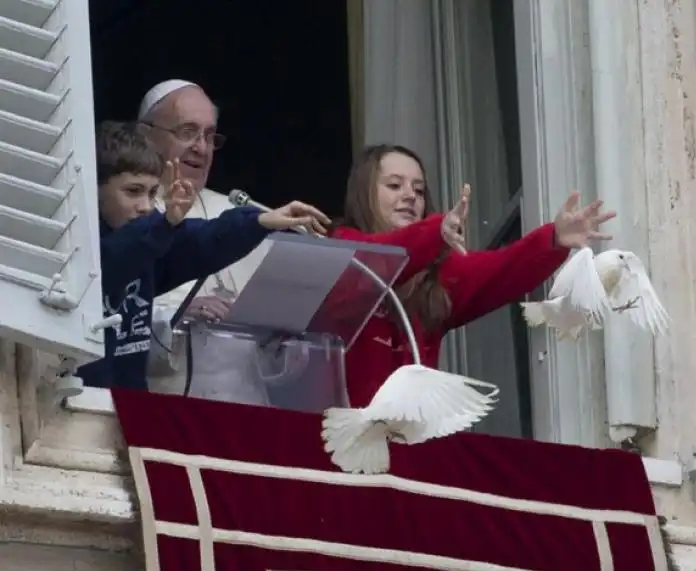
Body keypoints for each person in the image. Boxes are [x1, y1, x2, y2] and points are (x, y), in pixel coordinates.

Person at [331, 144, 617, 408]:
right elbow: (376, 259)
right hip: (341, 444)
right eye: (395, 185)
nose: (410, 196)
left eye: (419, 190)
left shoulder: (436, 274)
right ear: (364, 194)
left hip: (411, 446)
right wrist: (435, 232)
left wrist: (554, 238)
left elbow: (503, 268)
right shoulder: (341, 249)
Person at [76, 121, 329, 391]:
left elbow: (204, 239)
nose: (146, 207)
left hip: (129, 407)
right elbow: (114, 261)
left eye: (152, 193)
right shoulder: (79, 249)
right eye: (133, 191)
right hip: (79, 405)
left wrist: (261, 221)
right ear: (95, 188)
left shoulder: (151, 241)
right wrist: (163, 225)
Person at [136, 80, 293, 400]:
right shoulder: (126, 212)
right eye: (187, 131)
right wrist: (180, 312)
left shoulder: (241, 215)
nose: (201, 147)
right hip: (162, 411)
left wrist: (281, 336)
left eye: (210, 136)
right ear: (146, 135)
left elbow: (281, 353)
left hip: (245, 414)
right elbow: (110, 321)